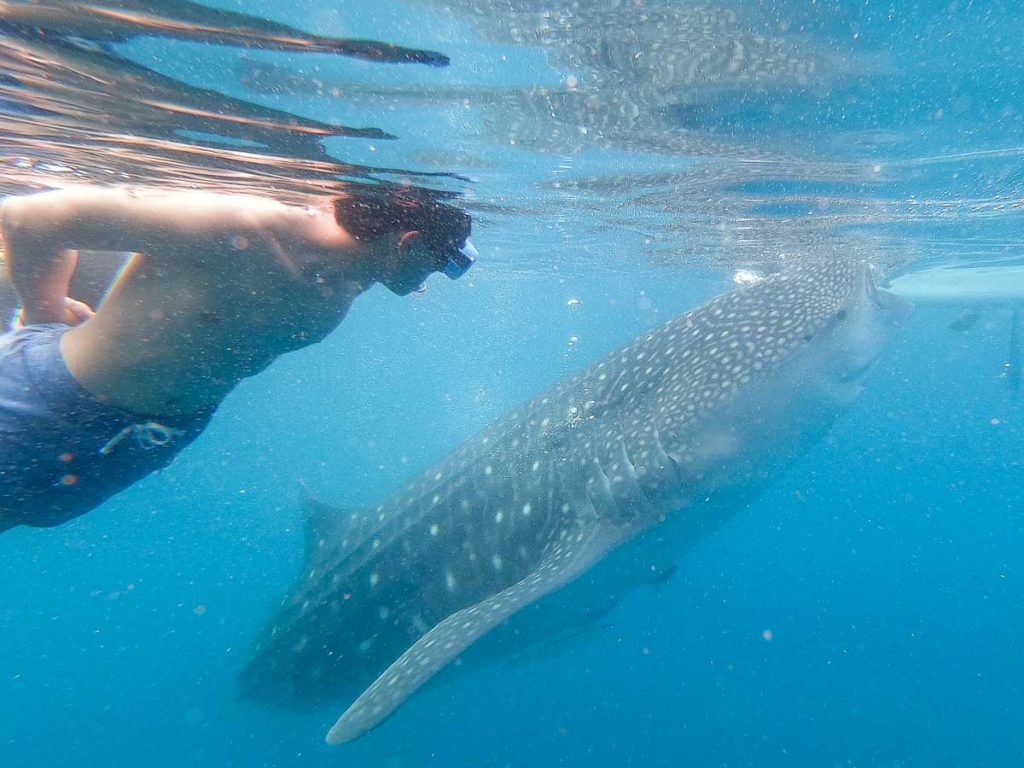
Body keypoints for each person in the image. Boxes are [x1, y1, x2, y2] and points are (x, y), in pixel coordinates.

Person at [0, 184, 476, 533]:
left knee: (21, 517)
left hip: (150, 440)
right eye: (442, 264)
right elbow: (32, 215)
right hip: (50, 401)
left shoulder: (355, 276)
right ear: (407, 242)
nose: (430, 281)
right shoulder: (243, 227)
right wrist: (44, 314)